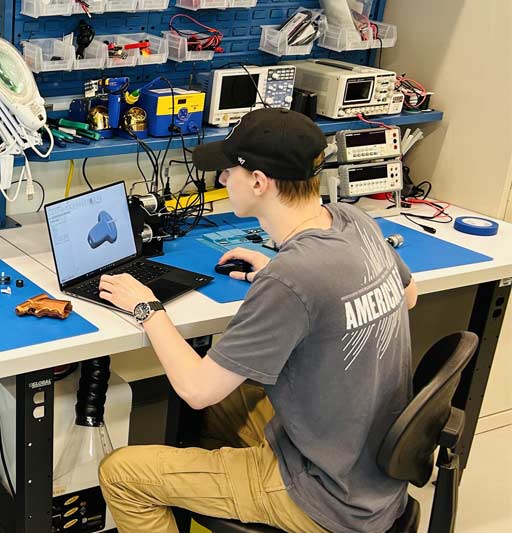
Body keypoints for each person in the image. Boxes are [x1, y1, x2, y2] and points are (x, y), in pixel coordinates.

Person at [97, 108, 417, 533]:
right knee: (228, 406)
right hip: (368, 470)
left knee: (122, 474)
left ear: (259, 182)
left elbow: (196, 389)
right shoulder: (352, 221)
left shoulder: (294, 278)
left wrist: (147, 308)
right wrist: (279, 277)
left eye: (229, 172)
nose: (224, 181)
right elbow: (408, 296)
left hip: (325, 497)